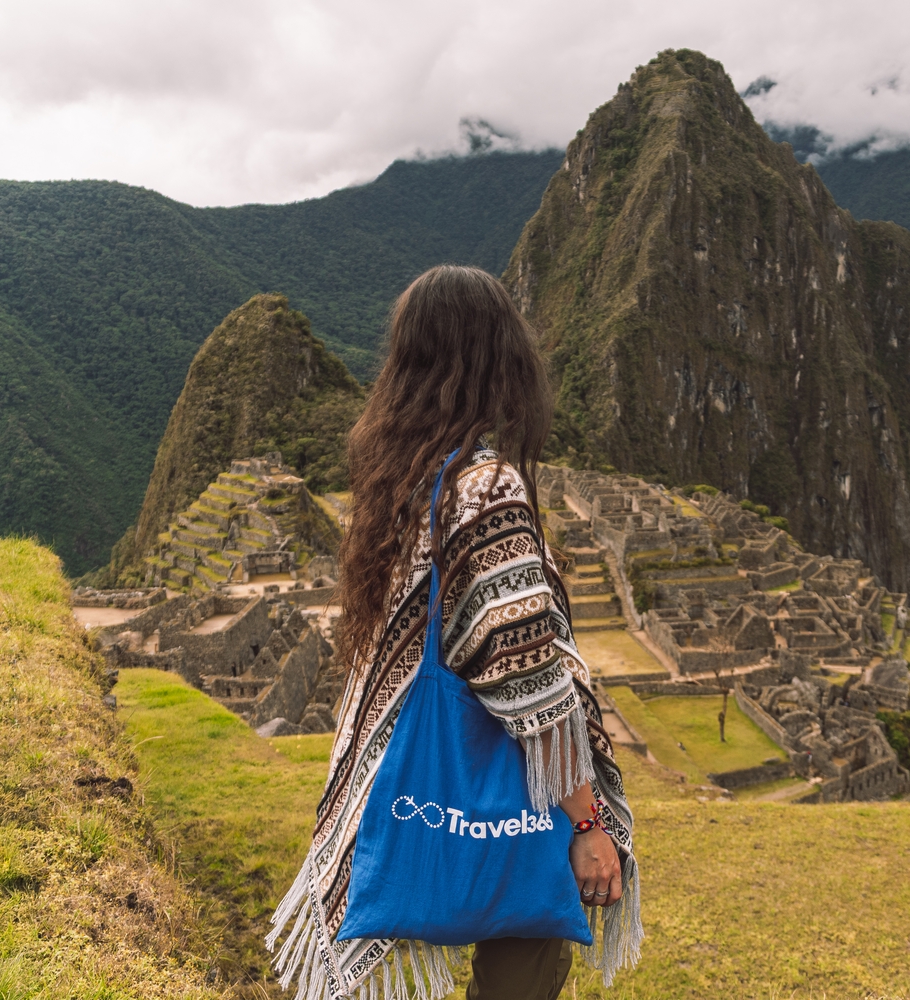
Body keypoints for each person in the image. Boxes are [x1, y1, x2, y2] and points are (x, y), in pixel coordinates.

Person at [268, 266, 641, 1000]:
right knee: (524, 966)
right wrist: (589, 823)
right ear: (499, 356)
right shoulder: (488, 488)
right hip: (516, 795)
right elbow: (527, 678)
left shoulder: (403, 481)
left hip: (413, 771)